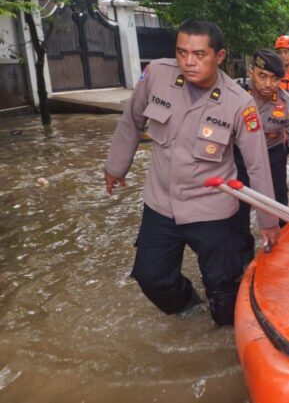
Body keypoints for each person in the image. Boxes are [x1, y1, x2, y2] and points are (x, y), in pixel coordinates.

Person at [104, 20, 279, 326]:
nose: (188, 61)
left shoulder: (239, 103)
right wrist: (116, 166)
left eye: (199, 54)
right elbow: (132, 121)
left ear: (220, 56)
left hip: (212, 208)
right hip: (161, 204)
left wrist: (268, 221)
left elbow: (257, 164)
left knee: (223, 288)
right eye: (182, 52)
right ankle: (190, 309)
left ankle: (223, 334)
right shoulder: (157, 75)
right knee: (151, 276)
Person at [243, 49, 289, 213]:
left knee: (279, 207)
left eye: (275, 79)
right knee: (236, 211)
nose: (268, 84)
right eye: (262, 76)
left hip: (272, 154)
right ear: (251, 73)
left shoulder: (287, 104)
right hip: (240, 156)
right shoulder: (237, 96)